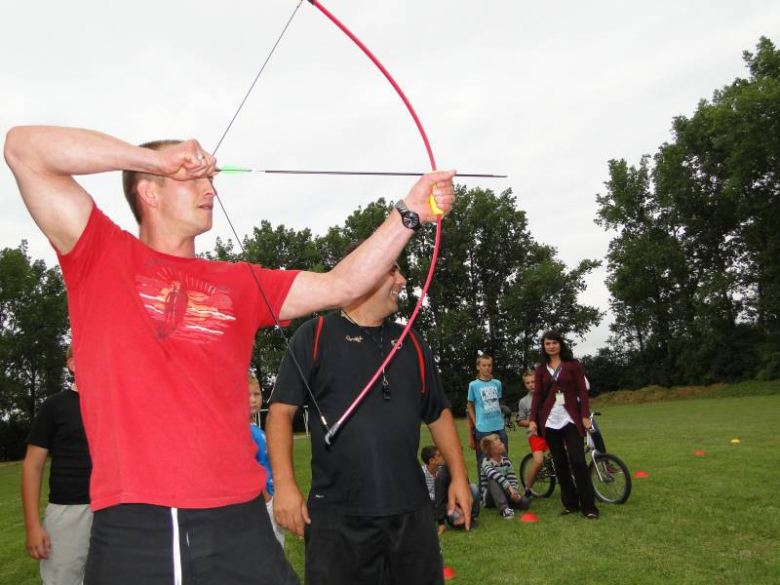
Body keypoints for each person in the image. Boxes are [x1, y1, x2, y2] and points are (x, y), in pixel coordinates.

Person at [4, 126, 456, 585]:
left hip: (243, 516)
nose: (210, 187)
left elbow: (342, 285)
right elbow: (23, 149)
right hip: (150, 520)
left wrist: (411, 210)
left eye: (209, 178)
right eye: (192, 178)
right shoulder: (100, 254)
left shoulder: (237, 282)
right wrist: (157, 158)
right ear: (149, 191)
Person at [267, 245, 472, 585]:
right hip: (337, 518)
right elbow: (279, 413)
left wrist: (460, 478)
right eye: (392, 270)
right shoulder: (313, 337)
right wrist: (285, 486)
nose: (403, 281)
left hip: (411, 512)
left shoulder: (412, 341)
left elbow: (438, 415)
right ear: (363, 270)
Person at [21, 345, 92, 585]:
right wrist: (32, 526)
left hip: (113, 508)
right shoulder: (55, 406)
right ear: (73, 365)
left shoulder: (115, 404)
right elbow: (33, 465)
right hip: (68, 510)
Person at [529, 330, 599, 519]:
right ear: (543, 347)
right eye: (547, 343)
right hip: (550, 421)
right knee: (560, 463)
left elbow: (582, 392)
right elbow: (537, 396)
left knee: (577, 461)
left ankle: (589, 506)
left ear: (560, 344)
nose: (551, 346)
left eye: (554, 343)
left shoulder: (572, 365)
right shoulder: (541, 369)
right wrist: (533, 419)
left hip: (570, 418)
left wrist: (584, 415)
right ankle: (570, 504)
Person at [249, 372, 285, 547]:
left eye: (256, 394)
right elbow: (251, 468)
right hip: (263, 503)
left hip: (273, 496)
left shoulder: (257, 430)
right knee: (272, 549)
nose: (253, 399)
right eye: (246, 395)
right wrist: (267, 498)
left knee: (279, 545)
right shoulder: (243, 432)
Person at [467, 355, 508, 489]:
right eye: (484, 365)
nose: (487, 368)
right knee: (483, 460)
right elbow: (469, 406)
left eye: (489, 365)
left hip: (499, 427)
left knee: (504, 457)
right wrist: (476, 423)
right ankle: (484, 491)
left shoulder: (497, 383)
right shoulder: (473, 385)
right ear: (478, 367)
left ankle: (506, 487)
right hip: (483, 429)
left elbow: (498, 403)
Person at [479, 434, 529, 519]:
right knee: (493, 480)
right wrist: (509, 487)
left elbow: (512, 478)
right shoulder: (486, 462)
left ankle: (508, 502)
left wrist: (515, 492)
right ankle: (504, 509)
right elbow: (494, 474)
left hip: (505, 492)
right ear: (494, 451)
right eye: (500, 444)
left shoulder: (506, 461)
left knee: (525, 502)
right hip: (489, 498)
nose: (503, 444)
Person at [516, 368, 548, 498]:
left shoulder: (547, 395)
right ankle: (528, 489)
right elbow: (519, 421)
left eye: (533, 382)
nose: (531, 385)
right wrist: (531, 422)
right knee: (539, 462)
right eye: (528, 383)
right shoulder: (524, 401)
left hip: (551, 432)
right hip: (535, 435)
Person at [432, 464, 480, 534]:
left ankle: (472, 517)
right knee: (457, 519)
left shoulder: (462, 471)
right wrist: (441, 523)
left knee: (474, 488)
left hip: (461, 501)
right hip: (450, 505)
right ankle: (462, 519)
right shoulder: (440, 478)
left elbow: (467, 488)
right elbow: (439, 502)